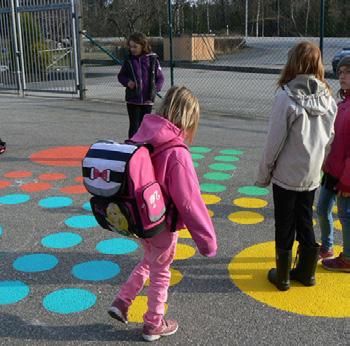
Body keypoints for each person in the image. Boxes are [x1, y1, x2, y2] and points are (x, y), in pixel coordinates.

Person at [107, 86, 217, 341]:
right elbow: (190, 202)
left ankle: (123, 300)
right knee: (161, 270)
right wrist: (207, 241)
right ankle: (154, 323)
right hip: (162, 224)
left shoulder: (142, 135)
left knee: (150, 259)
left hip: (138, 219)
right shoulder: (176, 153)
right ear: (189, 119)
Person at [256, 41, 337, 291]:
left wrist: (264, 173)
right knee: (305, 219)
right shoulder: (328, 96)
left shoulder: (286, 95)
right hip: (312, 173)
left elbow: (274, 141)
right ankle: (307, 273)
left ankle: (282, 277)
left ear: (293, 62)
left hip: (286, 174)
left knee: (284, 222)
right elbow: (330, 137)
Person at [319, 56, 350, 272]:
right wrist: (325, 162)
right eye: (339, 73)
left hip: (346, 177)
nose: (341, 76)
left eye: (347, 72)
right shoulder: (343, 104)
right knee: (322, 208)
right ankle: (327, 246)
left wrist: (347, 182)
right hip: (332, 171)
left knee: (346, 217)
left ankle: (347, 258)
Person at [118, 32, 164, 139]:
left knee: (145, 126)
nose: (132, 49)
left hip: (148, 100)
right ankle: (132, 147)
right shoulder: (129, 60)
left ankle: (143, 147)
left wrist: (155, 89)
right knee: (134, 125)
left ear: (143, 45)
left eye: (135, 46)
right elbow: (121, 76)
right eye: (130, 46)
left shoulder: (152, 60)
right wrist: (128, 82)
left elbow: (160, 78)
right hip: (133, 99)